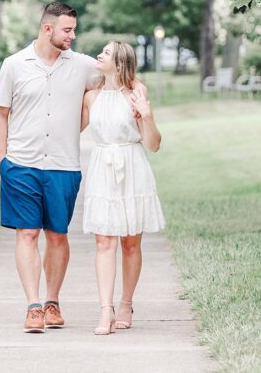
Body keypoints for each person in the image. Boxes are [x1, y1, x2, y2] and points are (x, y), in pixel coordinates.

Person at [0, 2, 146, 333]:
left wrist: (140, 95)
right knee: (28, 232)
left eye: (73, 29)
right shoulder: (14, 65)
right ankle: (33, 306)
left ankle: (52, 301)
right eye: (67, 30)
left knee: (57, 236)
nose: (73, 36)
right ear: (48, 29)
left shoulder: (83, 66)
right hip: (20, 163)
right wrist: (2, 160)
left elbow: (123, 75)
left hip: (64, 165)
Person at [80, 41, 165, 336]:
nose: (99, 55)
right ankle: (106, 308)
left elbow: (153, 144)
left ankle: (126, 303)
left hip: (133, 166)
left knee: (130, 243)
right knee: (104, 241)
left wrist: (147, 113)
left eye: (105, 53)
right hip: (103, 166)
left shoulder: (137, 94)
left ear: (118, 65)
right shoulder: (91, 97)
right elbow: (71, 129)